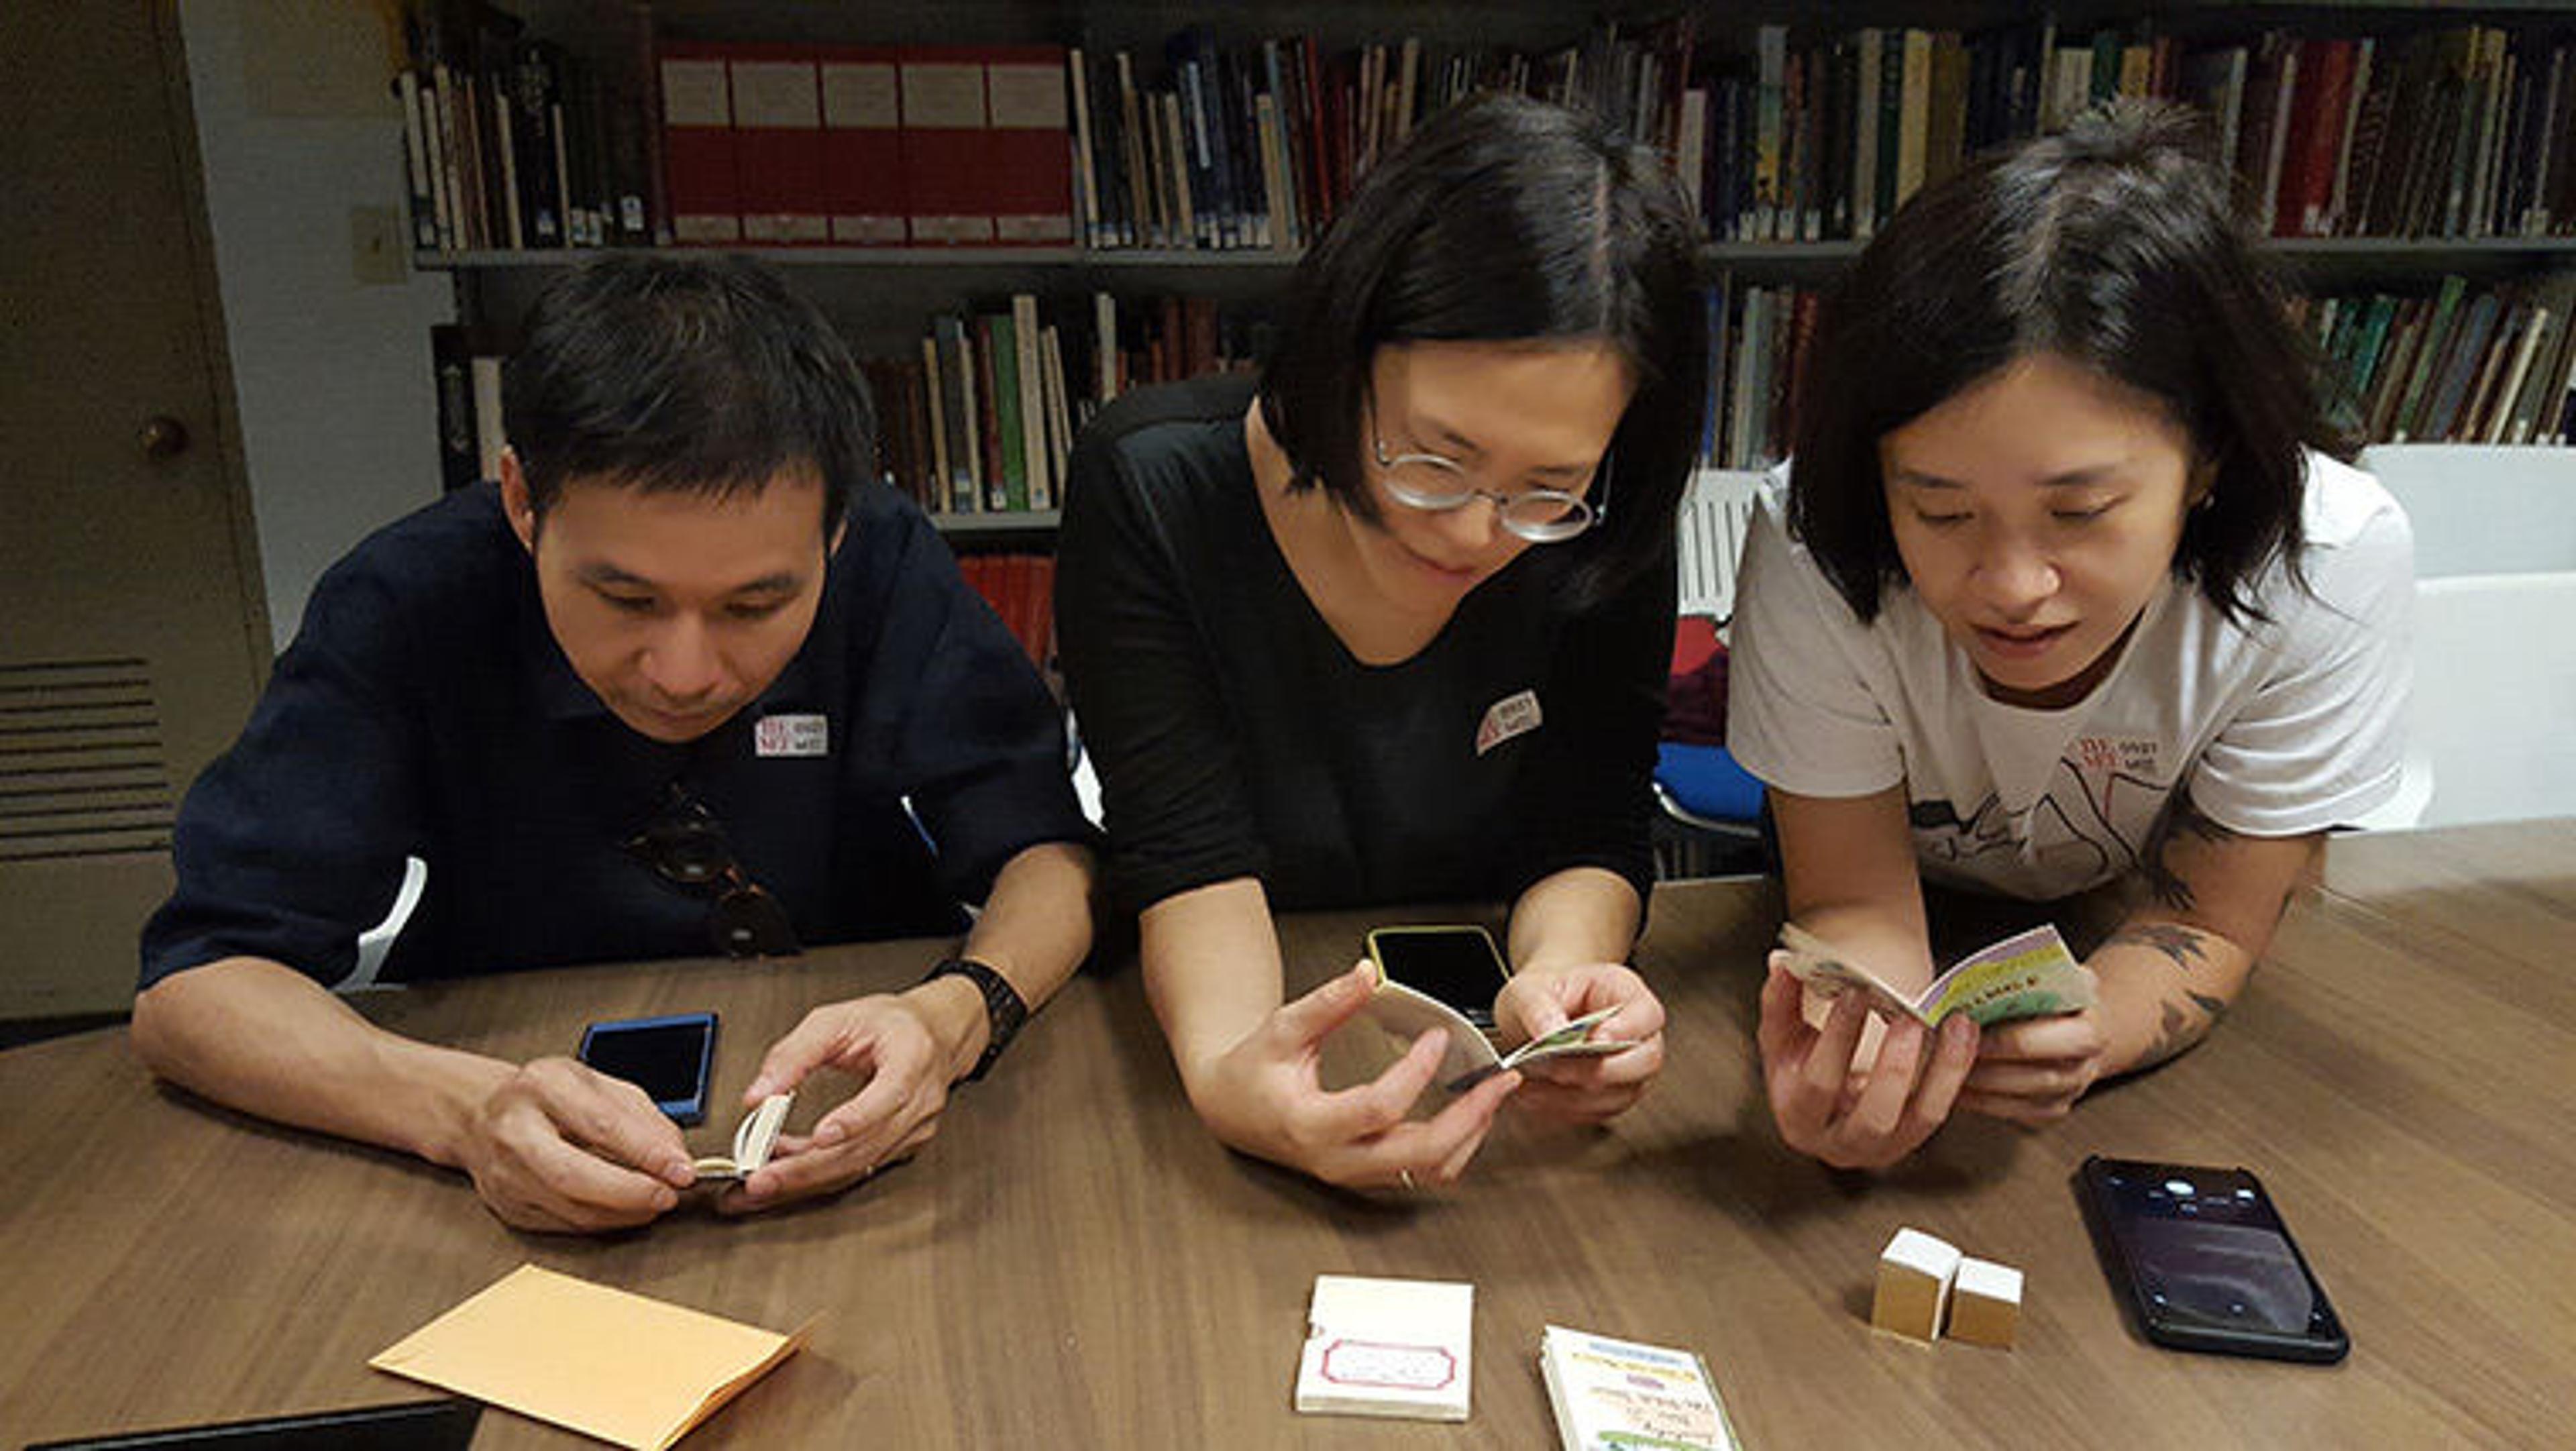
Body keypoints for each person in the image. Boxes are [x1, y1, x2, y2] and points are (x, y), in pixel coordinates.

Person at [133, 254, 1098, 1232]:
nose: (684, 672)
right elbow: (194, 992)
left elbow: (1048, 854)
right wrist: (462, 1112)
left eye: (756, 604)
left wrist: (955, 1015)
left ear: (835, 532)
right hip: (500, 1121)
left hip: (861, 1128)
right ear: (522, 502)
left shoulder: (886, 558)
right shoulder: (407, 600)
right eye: (625, 599)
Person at [1725, 102, 2413, 1171]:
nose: (2011, 586)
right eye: (1941, 513)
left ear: (2212, 456)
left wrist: (2099, 1028)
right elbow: (1853, 896)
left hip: (2115, 920)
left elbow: (2216, 924)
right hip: (1897, 892)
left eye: (2082, 511)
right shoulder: (1819, 540)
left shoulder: (2323, 561)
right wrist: (1857, 1064)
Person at [1055, 94, 1708, 1192]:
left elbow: (1589, 820)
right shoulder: (1157, 484)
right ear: (1345, 350)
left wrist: (1566, 985)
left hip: (1470, 1053)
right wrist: (1231, 1077)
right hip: (1230, 992)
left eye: (1546, 490)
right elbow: (1186, 851)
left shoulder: (1606, 521)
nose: (1469, 532)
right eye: (1434, 457)